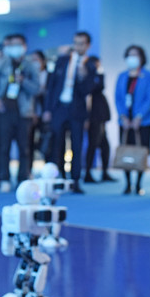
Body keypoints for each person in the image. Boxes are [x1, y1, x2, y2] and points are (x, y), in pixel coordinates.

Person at [42, 31, 101, 194]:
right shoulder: (62, 61)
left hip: (77, 110)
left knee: (77, 145)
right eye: (76, 43)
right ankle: (59, 176)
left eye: (82, 43)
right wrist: (48, 109)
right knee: (57, 144)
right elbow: (51, 86)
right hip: (59, 108)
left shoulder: (91, 65)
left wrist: (83, 75)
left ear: (88, 45)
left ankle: (75, 180)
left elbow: (88, 90)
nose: (78, 46)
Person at [0, 33, 40, 191]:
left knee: (24, 147)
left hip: (24, 112)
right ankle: (4, 178)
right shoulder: (2, 63)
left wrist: (23, 81)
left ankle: (23, 177)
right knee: (4, 146)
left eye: (17, 44)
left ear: (24, 46)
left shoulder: (30, 65)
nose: (14, 48)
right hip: (5, 111)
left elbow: (37, 88)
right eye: (11, 45)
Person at [115, 45, 150, 195]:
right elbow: (118, 98)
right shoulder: (122, 76)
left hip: (143, 121)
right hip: (125, 121)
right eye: (129, 55)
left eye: (135, 55)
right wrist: (123, 116)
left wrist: (139, 116)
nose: (132, 58)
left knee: (141, 151)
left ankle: (138, 183)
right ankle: (127, 184)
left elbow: (149, 98)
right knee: (126, 151)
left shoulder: (148, 76)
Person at [85, 52, 114, 184]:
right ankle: (87, 173)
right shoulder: (88, 78)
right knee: (92, 144)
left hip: (101, 114)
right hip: (93, 116)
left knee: (104, 145)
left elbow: (101, 86)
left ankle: (105, 172)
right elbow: (93, 88)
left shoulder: (99, 76)